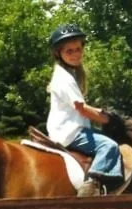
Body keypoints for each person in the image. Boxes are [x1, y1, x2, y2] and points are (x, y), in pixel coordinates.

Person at [46, 24, 124, 197]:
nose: (75, 54)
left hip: (74, 129)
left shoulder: (68, 74)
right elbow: (82, 109)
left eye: (78, 49)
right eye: (69, 51)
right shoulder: (64, 78)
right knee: (109, 146)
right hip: (71, 133)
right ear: (59, 53)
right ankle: (91, 184)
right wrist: (110, 120)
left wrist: (104, 114)